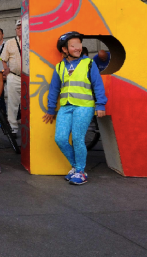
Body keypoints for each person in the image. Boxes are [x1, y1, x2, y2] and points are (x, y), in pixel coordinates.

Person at [43, 32, 107, 185]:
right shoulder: (59, 67)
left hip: (84, 106)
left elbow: (98, 85)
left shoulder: (89, 64)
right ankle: (76, 167)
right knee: (60, 138)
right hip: (65, 107)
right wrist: (51, 109)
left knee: (78, 138)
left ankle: (80, 171)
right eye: (73, 45)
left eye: (79, 44)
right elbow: (54, 89)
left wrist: (100, 104)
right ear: (64, 49)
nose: (78, 48)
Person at [0, 19, 22, 138]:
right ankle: (13, 128)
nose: (20, 29)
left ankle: (30, 126)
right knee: (13, 103)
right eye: (18, 27)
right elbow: (3, 59)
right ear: (15, 29)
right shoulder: (10, 42)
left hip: (29, 77)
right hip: (14, 76)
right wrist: (6, 70)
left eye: (22, 27)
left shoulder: (31, 41)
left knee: (31, 102)